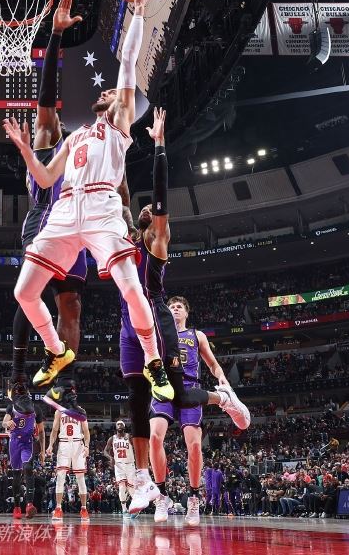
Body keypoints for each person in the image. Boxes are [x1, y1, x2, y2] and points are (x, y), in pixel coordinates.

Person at [4, 0, 173, 417]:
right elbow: (44, 176)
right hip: (59, 212)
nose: (108, 93)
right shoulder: (72, 135)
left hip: (98, 210)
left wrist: (138, 12)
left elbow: (129, 62)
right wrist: (24, 149)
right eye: (109, 93)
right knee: (24, 291)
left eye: (114, 93)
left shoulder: (118, 125)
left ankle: (152, 362)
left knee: (122, 291)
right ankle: (48, 358)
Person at [114, 108, 249, 519]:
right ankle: (148, 485)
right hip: (127, 325)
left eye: (150, 213)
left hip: (155, 323)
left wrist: (158, 145)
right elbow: (120, 195)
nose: (145, 211)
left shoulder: (157, 242)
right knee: (137, 401)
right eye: (142, 213)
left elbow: (159, 197)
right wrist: (117, 143)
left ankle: (221, 397)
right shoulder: (126, 237)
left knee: (179, 394)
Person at [9, 0, 104, 422]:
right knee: (29, 294)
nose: (44, 120)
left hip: (76, 229)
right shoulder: (47, 140)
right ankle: (16, 379)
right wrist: (56, 36)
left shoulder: (85, 153)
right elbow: (47, 97)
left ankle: (64, 384)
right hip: (44, 223)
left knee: (72, 307)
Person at [147, 295, 250, 526]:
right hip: (164, 386)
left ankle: (194, 497)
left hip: (190, 387)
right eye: (171, 307)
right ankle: (162, 495)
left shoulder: (197, 335)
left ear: (186, 312)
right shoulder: (159, 334)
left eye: (179, 307)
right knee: (154, 437)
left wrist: (221, 377)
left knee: (194, 445)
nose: (175, 309)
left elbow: (212, 363)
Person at [2, 398, 45, 518]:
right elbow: (4, 422)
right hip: (14, 442)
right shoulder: (12, 407)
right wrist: (7, 424)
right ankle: (17, 507)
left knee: (28, 468)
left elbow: (41, 431)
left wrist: (42, 451)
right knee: (16, 474)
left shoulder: (36, 408)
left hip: (28, 442)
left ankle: (29, 504)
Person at [47, 408, 90, 520]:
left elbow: (86, 431)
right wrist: (50, 445)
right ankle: (58, 508)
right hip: (64, 443)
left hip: (78, 444)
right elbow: (54, 430)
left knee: (80, 477)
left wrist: (87, 446)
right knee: (60, 476)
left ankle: (84, 508)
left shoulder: (81, 411)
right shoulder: (59, 411)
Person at [103, 420, 135, 512]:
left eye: (121, 424)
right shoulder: (112, 439)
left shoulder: (129, 437)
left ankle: (136, 506)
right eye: (118, 424)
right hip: (118, 465)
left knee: (131, 488)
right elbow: (105, 451)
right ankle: (124, 509)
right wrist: (110, 458)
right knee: (122, 486)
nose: (119, 425)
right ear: (116, 427)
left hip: (130, 464)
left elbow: (136, 448)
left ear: (124, 427)